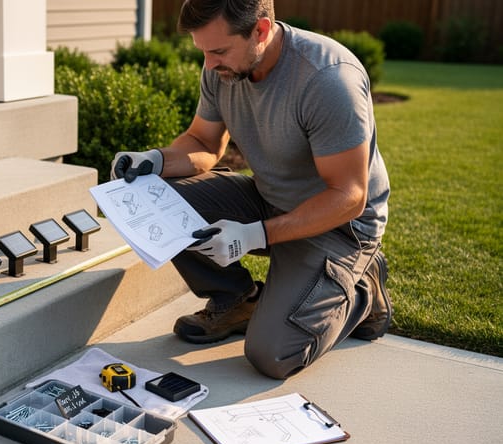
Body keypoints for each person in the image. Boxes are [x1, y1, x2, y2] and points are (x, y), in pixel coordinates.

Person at [111, 0, 391, 379]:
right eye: (204, 51)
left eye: (219, 51)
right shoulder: (222, 67)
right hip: (269, 199)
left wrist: (253, 235)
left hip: (338, 227)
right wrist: (155, 162)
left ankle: (361, 288)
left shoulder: (326, 78)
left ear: (260, 30)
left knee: (273, 355)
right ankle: (236, 298)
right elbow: (204, 143)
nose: (209, 64)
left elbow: (350, 197)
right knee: (155, 197)